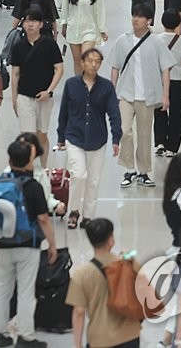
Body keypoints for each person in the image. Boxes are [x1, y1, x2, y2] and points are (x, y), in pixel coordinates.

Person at [0, 139, 59, 348]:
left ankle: (1, 334)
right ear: (29, 161)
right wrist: (53, 245)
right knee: (26, 292)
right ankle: (25, 336)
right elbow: (43, 218)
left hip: (3, 243)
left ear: (9, 159)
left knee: (2, 289)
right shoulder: (32, 186)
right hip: (28, 245)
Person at [109, 5, 174, 189]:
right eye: (134, 16)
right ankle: (129, 169)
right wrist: (111, 92)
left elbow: (165, 70)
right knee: (124, 130)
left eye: (139, 17)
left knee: (145, 134)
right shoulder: (123, 40)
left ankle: (143, 171)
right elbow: (115, 66)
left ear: (149, 21)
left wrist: (165, 95)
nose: (135, 19)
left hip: (147, 95)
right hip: (126, 94)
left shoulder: (157, 42)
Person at [56, 48, 122, 228]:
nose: (93, 64)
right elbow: (63, 112)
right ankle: (74, 211)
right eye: (90, 60)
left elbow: (114, 114)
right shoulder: (71, 84)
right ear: (82, 63)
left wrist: (116, 138)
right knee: (78, 175)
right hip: (74, 136)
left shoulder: (106, 87)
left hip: (97, 139)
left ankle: (88, 216)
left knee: (93, 180)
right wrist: (61, 136)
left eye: (97, 61)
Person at [67, 218, 146, 348]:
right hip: (130, 335)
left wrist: (77, 344)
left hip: (100, 339)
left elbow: (79, 312)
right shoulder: (127, 262)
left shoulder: (81, 273)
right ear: (111, 240)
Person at [11, 9, 65, 165]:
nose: (30, 24)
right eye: (27, 21)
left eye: (34, 21)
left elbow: (59, 69)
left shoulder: (49, 45)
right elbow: (15, 74)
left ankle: (43, 167)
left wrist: (49, 91)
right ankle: (28, 169)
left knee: (42, 134)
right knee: (27, 137)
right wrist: (14, 98)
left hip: (45, 98)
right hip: (24, 97)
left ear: (41, 24)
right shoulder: (18, 47)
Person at [153, 9, 181, 156]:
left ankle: (160, 141)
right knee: (176, 113)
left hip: (159, 79)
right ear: (177, 23)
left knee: (159, 111)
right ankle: (172, 147)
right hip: (177, 80)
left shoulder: (156, 39)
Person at [60, 0, 109, 66]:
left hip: (89, 31)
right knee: (77, 61)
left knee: (86, 59)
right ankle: (79, 82)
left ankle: (88, 81)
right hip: (73, 30)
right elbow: (65, 9)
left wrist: (102, 30)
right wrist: (64, 25)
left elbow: (100, 13)